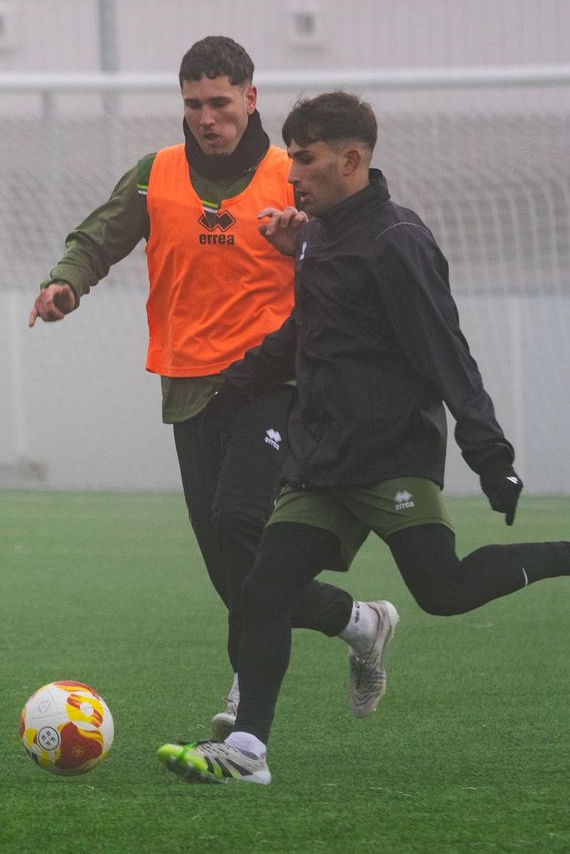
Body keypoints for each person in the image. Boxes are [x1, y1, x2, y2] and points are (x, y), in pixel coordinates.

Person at [157, 92, 570, 786]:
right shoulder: (320, 237)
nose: (293, 174)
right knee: (262, 588)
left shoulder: (397, 241)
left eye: (303, 160)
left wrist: (490, 455)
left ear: (352, 158)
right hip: (323, 460)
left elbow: (445, 352)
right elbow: (306, 335)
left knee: (444, 588)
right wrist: (237, 384)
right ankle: (247, 751)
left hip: (391, 455)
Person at [28, 38, 398, 738]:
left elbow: (359, 246)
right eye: (194, 104)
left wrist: (310, 247)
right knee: (231, 566)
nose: (207, 118)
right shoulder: (155, 175)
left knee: (241, 525)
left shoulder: (297, 172)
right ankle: (359, 622)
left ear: (251, 98)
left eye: (220, 103)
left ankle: (244, 700)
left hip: (276, 382)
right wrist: (64, 283)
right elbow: (99, 237)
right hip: (190, 390)